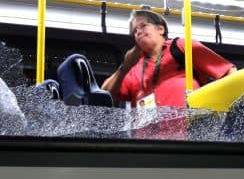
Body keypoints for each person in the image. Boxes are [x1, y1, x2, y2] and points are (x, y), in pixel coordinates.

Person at [101, 9, 236, 109]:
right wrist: (125, 67)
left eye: (143, 26)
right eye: (135, 31)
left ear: (160, 29)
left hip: (190, 136)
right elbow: (105, 95)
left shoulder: (181, 46)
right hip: (150, 142)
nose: (138, 32)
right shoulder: (133, 67)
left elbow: (229, 72)